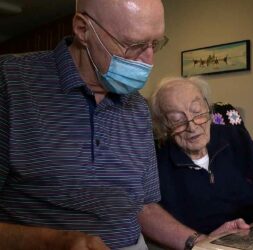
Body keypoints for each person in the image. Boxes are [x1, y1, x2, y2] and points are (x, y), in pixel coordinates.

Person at [0, 0, 169, 249]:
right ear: (82, 29)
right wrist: (54, 242)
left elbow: (144, 207)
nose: (148, 60)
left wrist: (196, 241)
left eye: (155, 43)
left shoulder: (138, 108)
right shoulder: (10, 82)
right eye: (134, 45)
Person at [149, 76, 253, 236]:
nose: (192, 127)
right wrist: (205, 240)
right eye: (177, 120)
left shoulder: (235, 138)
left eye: (197, 112)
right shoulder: (156, 164)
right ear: (163, 126)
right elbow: (157, 225)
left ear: (208, 108)